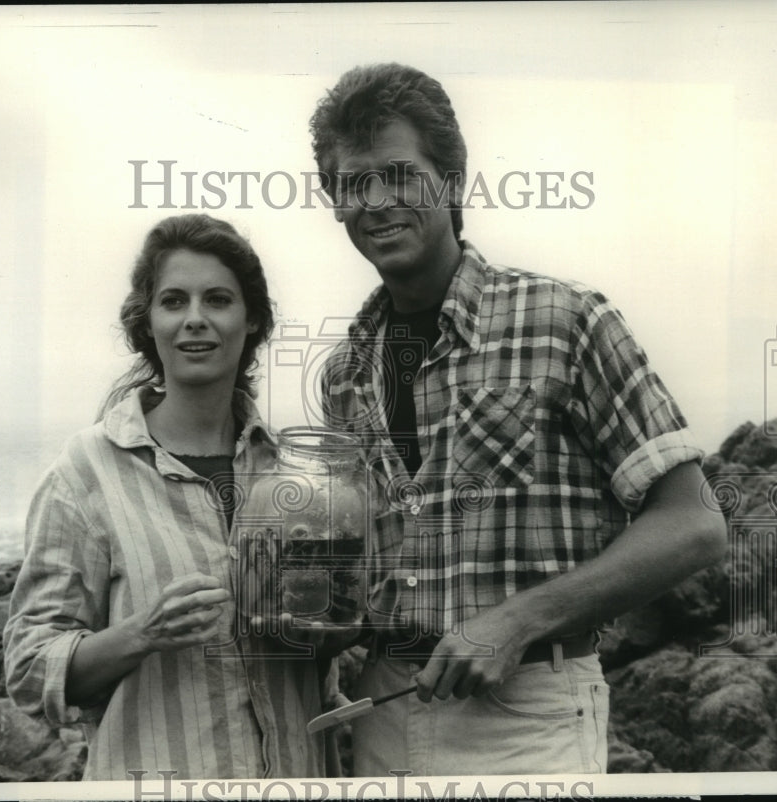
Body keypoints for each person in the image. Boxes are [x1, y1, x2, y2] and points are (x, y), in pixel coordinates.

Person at [308, 63, 728, 776]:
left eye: (400, 174)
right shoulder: (343, 374)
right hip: (382, 711)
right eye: (353, 184)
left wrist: (515, 622)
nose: (377, 202)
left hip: (530, 715)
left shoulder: (565, 320)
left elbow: (694, 524)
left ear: (453, 180)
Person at [3, 214, 326, 780]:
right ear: (147, 323)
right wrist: (142, 633)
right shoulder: (87, 471)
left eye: (218, 300)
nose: (195, 320)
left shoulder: (289, 474)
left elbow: (322, 645)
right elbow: (30, 668)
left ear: (251, 319)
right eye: (174, 301)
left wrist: (329, 618)